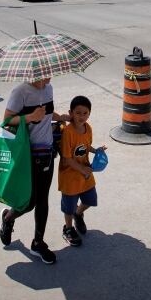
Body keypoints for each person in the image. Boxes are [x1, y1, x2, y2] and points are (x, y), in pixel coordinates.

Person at [0, 78, 69, 264]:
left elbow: (46, 113)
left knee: (43, 200)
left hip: (46, 152)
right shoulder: (20, 91)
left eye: (50, 72)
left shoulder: (49, 89)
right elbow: (6, 120)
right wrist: (30, 117)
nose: (49, 77)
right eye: (45, 72)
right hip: (27, 155)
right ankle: (8, 217)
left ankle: (38, 243)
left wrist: (59, 117)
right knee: (29, 202)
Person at [58, 96, 103, 247]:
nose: (82, 116)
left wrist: (96, 150)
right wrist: (83, 169)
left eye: (85, 113)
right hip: (70, 176)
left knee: (90, 199)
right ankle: (68, 228)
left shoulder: (88, 128)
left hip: (85, 174)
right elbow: (67, 159)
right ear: (70, 113)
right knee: (68, 207)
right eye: (78, 113)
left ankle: (79, 213)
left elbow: (86, 145)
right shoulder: (68, 132)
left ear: (89, 114)